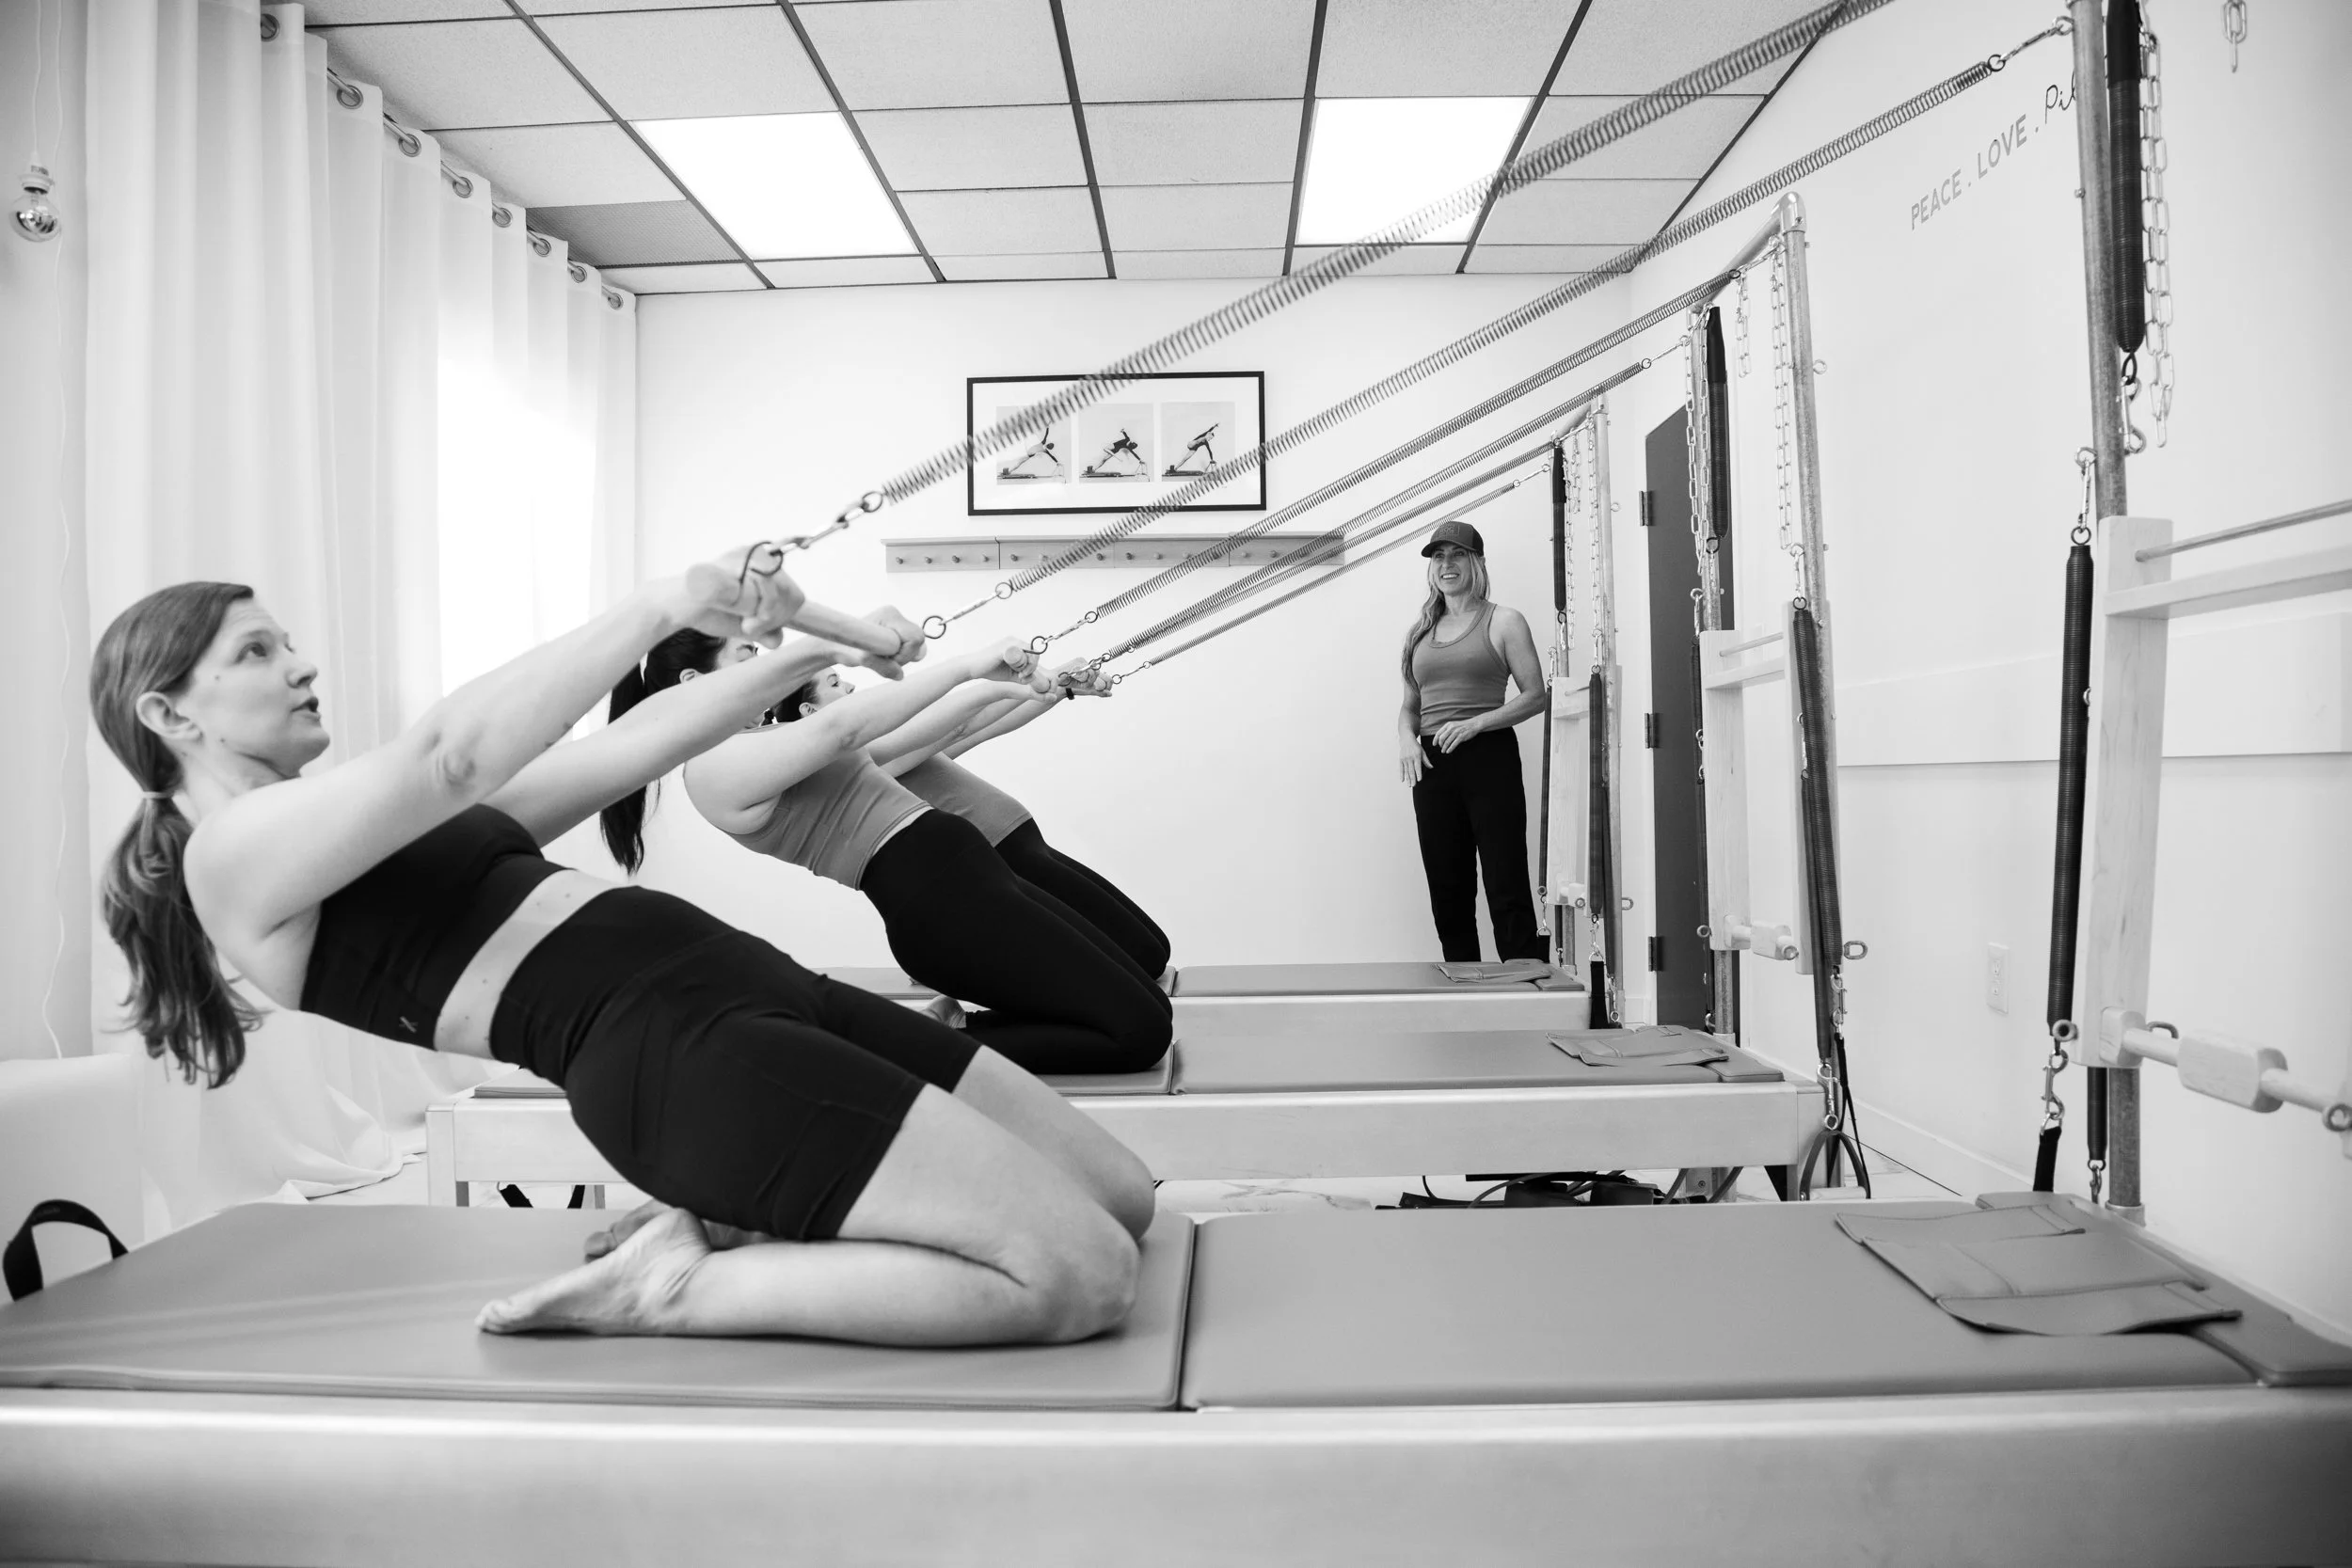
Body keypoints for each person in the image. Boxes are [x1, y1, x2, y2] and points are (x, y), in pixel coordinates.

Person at [89, 552, 1153, 1347]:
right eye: (256, 652)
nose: (300, 663)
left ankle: (725, 1228)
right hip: (688, 1060)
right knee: (1082, 1273)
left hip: (763, 989)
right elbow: (451, 753)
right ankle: (676, 1287)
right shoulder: (230, 858)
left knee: (1122, 1195)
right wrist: (659, 603)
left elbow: (641, 742)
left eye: (284, 640)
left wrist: (833, 647)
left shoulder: (347, 820)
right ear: (166, 712)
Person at [599, 645, 1172, 1077]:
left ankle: (954, 1028)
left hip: (977, 884)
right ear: (696, 680)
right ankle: (896, 1049)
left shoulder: (767, 746)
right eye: (746, 653)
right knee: (1140, 1035)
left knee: (1147, 998)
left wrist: (1026, 688)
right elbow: (849, 725)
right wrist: (973, 669)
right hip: (945, 908)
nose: (762, 662)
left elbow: (920, 731)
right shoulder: (715, 768)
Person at [880, 665, 1173, 979]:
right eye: (834, 682)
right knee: (1148, 956)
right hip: (1003, 855)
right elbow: (960, 727)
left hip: (1025, 843)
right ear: (815, 708)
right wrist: (1045, 680)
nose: (849, 684)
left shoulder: (890, 744)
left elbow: (985, 728)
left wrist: (1064, 690)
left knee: (1157, 946)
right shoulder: (873, 759)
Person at [1396, 518, 1549, 963]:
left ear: (1476, 562)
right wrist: (1407, 740)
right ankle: (1466, 990)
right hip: (1432, 764)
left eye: (1457, 555)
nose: (1447, 564)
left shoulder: (1504, 621)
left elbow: (1536, 695)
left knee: (1505, 882)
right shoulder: (1419, 632)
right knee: (1448, 887)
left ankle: (1522, 990)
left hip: (1488, 757)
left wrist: (1477, 724)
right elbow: (1409, 706)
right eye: (1438, 557)